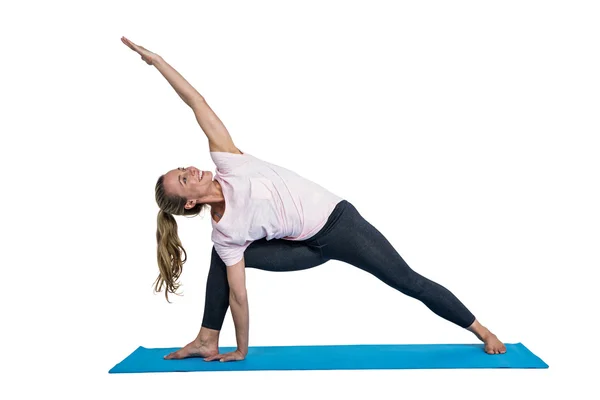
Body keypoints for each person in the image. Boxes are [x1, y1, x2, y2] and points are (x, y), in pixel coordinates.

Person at [121, 36, 507, 362]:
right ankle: (208, 338)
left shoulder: (228, 161)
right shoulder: (226, 232)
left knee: (405, 280)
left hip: (340, 227)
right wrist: (242, 349)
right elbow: (238, 293)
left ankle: (481, 328)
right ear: (189, 203)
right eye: (184, 179)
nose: (191, 170)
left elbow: (197, 103)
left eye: (183, 169)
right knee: (223, 256)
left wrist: (157, 62)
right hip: (303, 250)